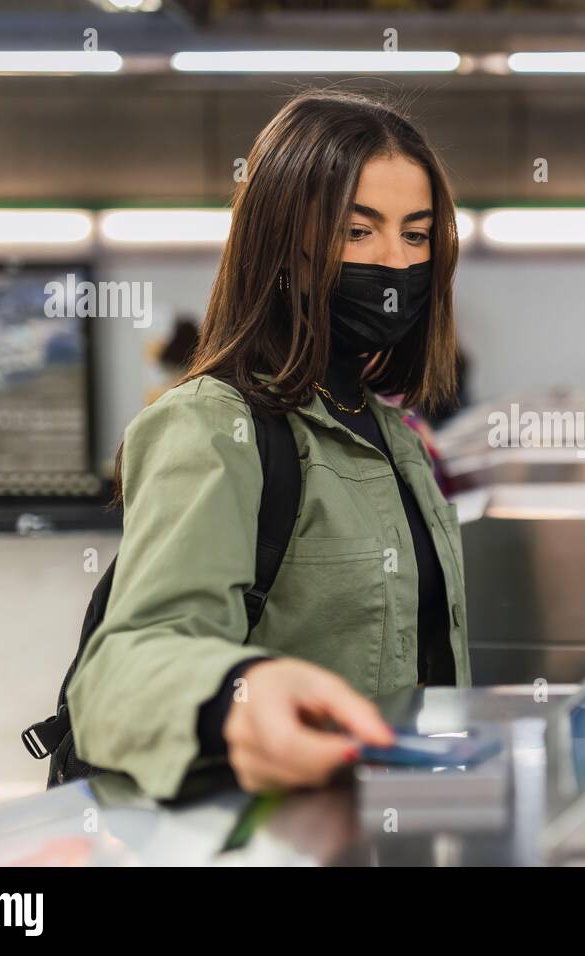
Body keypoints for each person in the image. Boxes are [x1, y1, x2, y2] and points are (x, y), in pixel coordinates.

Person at [67, 90, 468, 799]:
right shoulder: (214, 425)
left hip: (384, 820)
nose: (395, 263)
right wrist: (240, 692)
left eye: (415, 234)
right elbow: (122, 668)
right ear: (282, 243)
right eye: (356, 231)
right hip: (274, 829)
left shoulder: (392, 435)